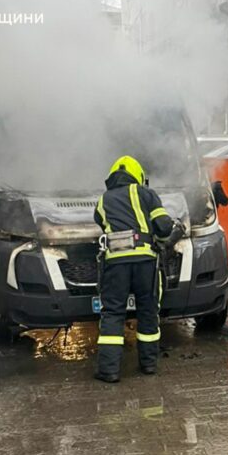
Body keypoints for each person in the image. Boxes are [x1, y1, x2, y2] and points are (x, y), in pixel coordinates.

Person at [93, 155, 175, 383]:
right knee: (148, 311)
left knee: (112, 313)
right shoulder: (146, 194)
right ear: (137, 175)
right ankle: (148, 365)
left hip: (115, 264)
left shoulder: (103, 200)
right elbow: (164, 227)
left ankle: (109, 371)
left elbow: (99, 220)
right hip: (145, 263)